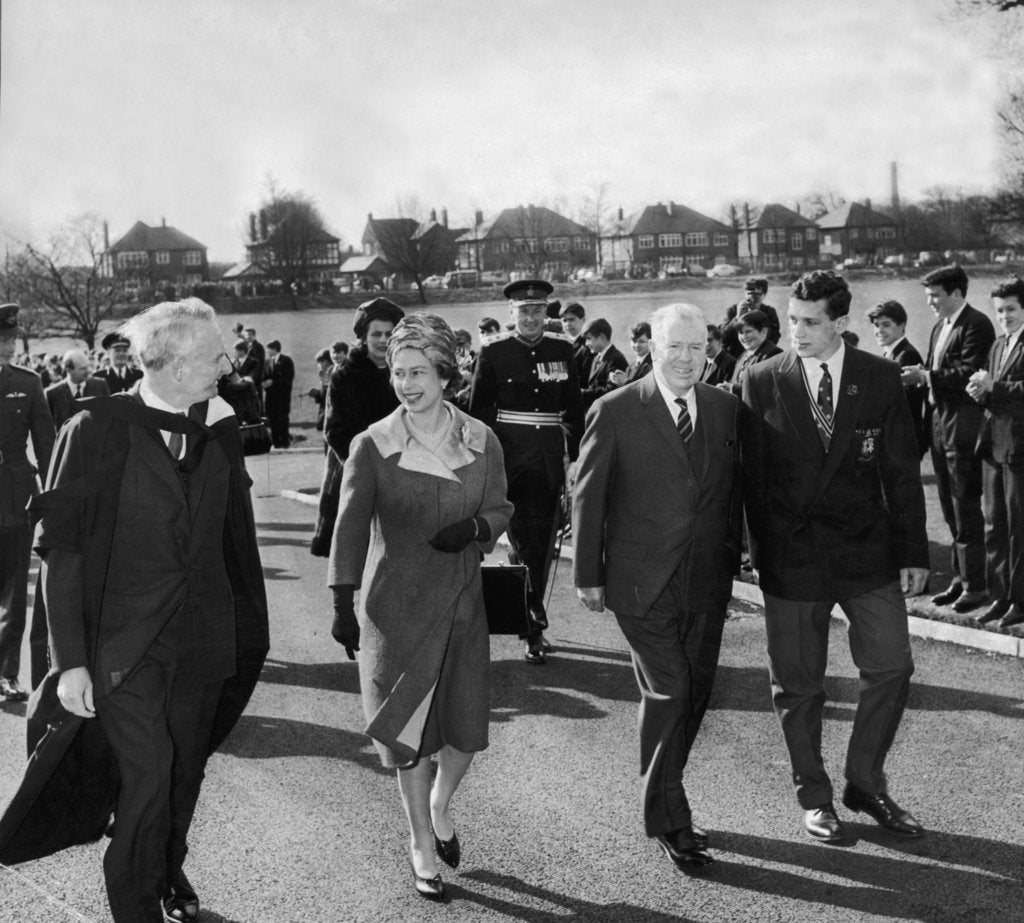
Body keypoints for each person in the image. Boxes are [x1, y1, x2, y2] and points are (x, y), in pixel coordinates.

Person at [26, 297, 268, 921]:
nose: (228, 365)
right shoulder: (96, 429)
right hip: (123, 646)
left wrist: (248, 634)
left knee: (185, 768)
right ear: (178, 362)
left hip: (203, 638)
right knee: (150, 773)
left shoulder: (219, 426)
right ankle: (134, 904)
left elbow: (235, 537)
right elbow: (62, 550)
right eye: (217, 355)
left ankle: (167, 870)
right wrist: (70, 662)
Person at [328, 314, 512, 901]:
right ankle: (421, 847)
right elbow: (350, 528)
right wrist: (341, 597)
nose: (406, 383)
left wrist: (479, 526)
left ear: (444, 373)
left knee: (464, 730)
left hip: (461, 603)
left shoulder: (482, 439)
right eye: (398, 373)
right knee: (408, 734)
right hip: (395, 608)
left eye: (418, 372)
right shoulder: (373, 444)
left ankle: (440, 802)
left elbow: (503, 509)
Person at [742, 270, 929, 844]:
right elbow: (749, 480)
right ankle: (815, 797)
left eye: (811, 322)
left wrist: (913, 551)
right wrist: (755, 556)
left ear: (842, 323)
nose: (796, 332)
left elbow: (901, 472)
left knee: (892, 666)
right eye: (792, 320)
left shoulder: (879, 378)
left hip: (865, 551)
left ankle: (865, 782)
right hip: (793, 559)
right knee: (798, 685)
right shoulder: (760, 380)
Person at [574, 303, 743, 871]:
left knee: (693, 692)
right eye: (676, 347)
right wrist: (587, 576)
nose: (688, 359)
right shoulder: (616, 410)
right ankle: (670, 817)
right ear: (650, 348)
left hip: (706, 581)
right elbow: (589, 496)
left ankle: (665, 795)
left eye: (699, 348)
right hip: (640, 582)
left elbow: (734, 493)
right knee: (670, 690)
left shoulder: (724, 409)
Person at [469, 279, 585, 663]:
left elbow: (573, 410)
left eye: (538, 310)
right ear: (512, 314)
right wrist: (485, 462)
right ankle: (532, 622)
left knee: (546, 541)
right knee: (523, 542)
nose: (531, 317)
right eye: (524, 311)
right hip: (511, 460)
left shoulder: (562, 350)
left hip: (550, 460)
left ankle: (530, 612)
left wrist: (570, 451)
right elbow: (479, 414)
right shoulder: (495, 353)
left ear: (546, 312)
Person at [900, 266, 996, 612]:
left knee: (965, 505)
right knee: (948, 505)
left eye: (935, 296)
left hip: (963, 426)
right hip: (940, 425)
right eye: (927, 297)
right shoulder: (942, 326)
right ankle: (960, 579)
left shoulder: (978, 324)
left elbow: (970, 370)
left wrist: (925, 376)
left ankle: (977, 585)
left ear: (956, 293)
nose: (930, 303)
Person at [310, 298, 404, 557]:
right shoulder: (345, 374)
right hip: (356, 469)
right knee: (356, 557)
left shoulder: (407, 369)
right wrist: (367, 470)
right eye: (376, 334)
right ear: (363, 336)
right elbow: (336, 431)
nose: (383, 340)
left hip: (404, 469)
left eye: (390, 334)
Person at [0, 304, 55, 701]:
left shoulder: (29, 382)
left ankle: (6, 674)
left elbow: (47, 443)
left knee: (15, 589)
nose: (8, 346)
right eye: (1, 340)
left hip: (16, 494)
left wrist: (55, 494)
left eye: (11, 339)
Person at [966, 276, 1024, 629]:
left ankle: (1020, 600)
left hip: (1019, 448)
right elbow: (997, 392)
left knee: (1019, 528)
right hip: (993, 445)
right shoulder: (998, 345)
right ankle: (1000, 595)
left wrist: (994, 386)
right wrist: (981, 394)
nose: (1004, 316)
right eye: (999, 310)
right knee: (993, 525)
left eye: (1012, 309)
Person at [867, 300, 927, 458]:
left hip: (902, 441)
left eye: (886, 325)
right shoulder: (892, 354)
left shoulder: (906, 355)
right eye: (876, 325)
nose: (879, 330)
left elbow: (900, 404)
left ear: (901, 326)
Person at [720, 310, 782, 396]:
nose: (744, 337)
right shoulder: (742, 356)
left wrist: (732, 388)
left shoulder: (773, 354)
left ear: (763, 332)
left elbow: (765, 390)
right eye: (741, 333)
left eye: (748, 331)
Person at [45, 349, 111, 430]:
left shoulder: (100, 385)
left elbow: (109, 417)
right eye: (83, 369)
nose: (88, 371)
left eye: (88, 367)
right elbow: (48, 427)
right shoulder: (52, 393)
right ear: (68, 370)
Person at [721, 278, 781, 358]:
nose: (751, 298)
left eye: (756, 295)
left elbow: (774, 337)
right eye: (748, 294)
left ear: (764, 295)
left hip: (759, 356)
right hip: (735, 356)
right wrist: (737, 318)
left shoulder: (769, 312)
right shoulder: (733, 310)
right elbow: (722, 338)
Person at [580, 318, 629, 408]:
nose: (586, 343)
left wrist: (583, 393)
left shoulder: (615, 358)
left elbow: (611, 390)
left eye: (589, 339)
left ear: (602, 337)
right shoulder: (596, 358)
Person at [262, 339, 295, 448]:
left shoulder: (286, 361)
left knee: (282, 419)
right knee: (272, 420)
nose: (268, 351)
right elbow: (265, 377)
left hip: (282, 397)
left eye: (269, 349)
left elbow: (288, 378)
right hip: (271, 397)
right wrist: (264, 384)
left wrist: (273, 382)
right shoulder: (267, 362)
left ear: (275, 349)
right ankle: (276, 443)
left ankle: (285, 442)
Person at [610, 321, 654, 387]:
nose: (637, 345)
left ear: (650, 342)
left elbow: (647, 390)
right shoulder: (630, 367)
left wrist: (625, 381)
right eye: (634, 341)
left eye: (641, 341)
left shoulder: (653, 365)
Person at [559, 301, 593, 381]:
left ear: (583, 319)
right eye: (564, 320)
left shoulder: (588, 346)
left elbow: (585, 377)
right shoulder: (559, 343)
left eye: (571, 320)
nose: (568, 324)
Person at [308, 348, 334, 434]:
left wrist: (324, 383)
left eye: (319, 363)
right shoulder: (325, 373)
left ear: (325, 362)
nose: (318, 365)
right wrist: (317, 394)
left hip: (332, 416)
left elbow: (331, 396)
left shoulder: (333, 373)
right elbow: (324, 397)